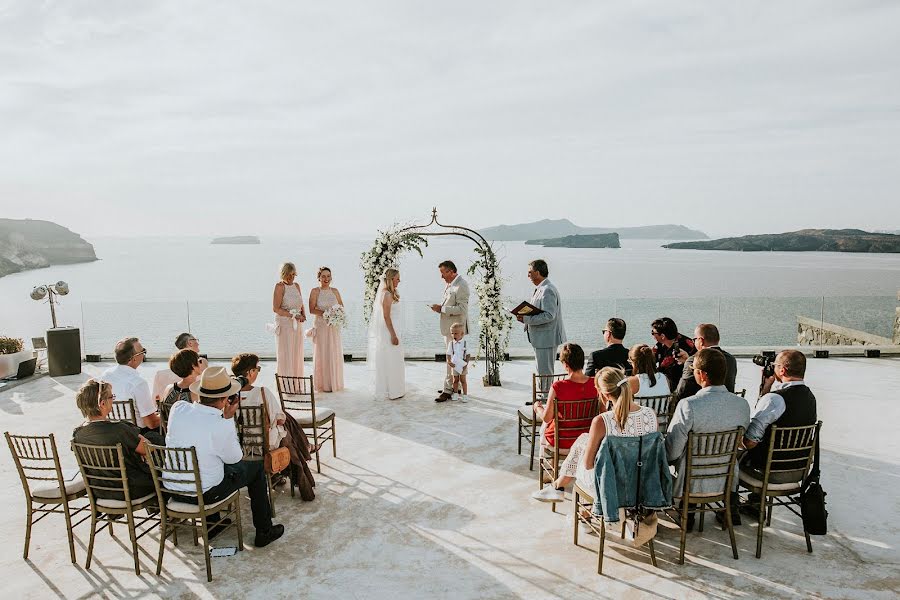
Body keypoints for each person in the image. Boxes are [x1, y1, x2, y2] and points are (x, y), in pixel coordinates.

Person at [165, 367, 285, 547]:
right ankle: (264, 530)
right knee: (256, 468)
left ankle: (214, 524)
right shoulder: (220, 425)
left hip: (173, 489)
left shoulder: (178, 408)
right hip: (203, 495)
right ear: (225, 399)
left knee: (208, 462)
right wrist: (228, 419)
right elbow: (235, 459)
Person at [532, 366, 657, 502]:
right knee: (583, 441)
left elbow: (588, 465)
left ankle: (559, 488)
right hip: (642, 480)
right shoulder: (650, 414)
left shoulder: (602, 421)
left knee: (582, 449)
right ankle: (558, 487)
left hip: (611, 485)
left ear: (605, 395)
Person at [665, 349, 750, 503]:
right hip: (726, 481)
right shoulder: (742, 405)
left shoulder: (688, 405)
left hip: (690, 482)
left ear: (702, 375)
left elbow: (672, 452)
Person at [231, 353, 316, 501]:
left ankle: (294, 463)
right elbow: (280, 420)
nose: (257, 372)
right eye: (257, 368)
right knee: (287, 427)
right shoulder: (262, 392)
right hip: (265, 445)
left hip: (240, 446)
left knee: (286, 425)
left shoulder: (229, 396)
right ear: (250, 372)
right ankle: (304, 457)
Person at [72, 379, 164, 500]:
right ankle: (164, 507)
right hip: (130, 490)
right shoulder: (119, 429)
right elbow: (148, 448)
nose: (113, 400)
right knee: (157, 444)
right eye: (111, 397)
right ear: (102, 404)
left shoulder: (77, 433)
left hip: (100, 491)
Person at [742, 350, 817, 483]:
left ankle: (735, 500)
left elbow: (750, 442)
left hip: (769, 472)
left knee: (732, 457)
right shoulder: (810, 397)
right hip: (801, 470)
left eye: (775, 365)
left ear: (782, 370)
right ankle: (755, 499)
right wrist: (767, 387)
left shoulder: (774, 399)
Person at [532, 343, 596, 453]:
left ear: (566, 365)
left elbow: (547, 418)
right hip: (587, 440)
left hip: (561, 441)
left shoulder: (558, 386)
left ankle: (553, 468)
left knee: (546, 425)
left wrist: (538, 407)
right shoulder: (595, 383)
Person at [518, 259, 567, 405]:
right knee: (541, 370)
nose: (528, 276)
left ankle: (546, 402)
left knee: (545, 372)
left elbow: (549, 315)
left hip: (547, 337)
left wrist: (527, 319)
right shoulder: (541, 288)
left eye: (530, 273)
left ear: (537, 273)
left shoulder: (548, 290)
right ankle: (541, 398)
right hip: (541, 337)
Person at [431, 260, 470, 403]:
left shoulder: (461, 285)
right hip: (450, 329)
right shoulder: (451, 284)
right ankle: (455, 386)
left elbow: (462, 309)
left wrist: (441, 309)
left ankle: (448, 390)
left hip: (455, 331)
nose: (441, 277)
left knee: (451, 360)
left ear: (451, 271)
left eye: (443, 273)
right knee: (454, 359)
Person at [101, 337, 159, 432]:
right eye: (143, 351)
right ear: (134, 358)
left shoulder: (106, 376)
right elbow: (151, 423)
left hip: (111, 430)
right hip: (137, 435)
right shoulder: (138, 383)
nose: (144, 354)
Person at [674, 323, 737, 401]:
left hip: (699, 407)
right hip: (727, 405)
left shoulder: (692, 360)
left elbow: (682, 392)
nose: (693, 342)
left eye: (694, 339)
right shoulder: (731, 359)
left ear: (701, 340)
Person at [368, 268, 405, 400]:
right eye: (397, 278)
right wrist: (393, 335)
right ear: (391, 279)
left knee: (395, 358)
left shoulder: (392, 292)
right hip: (389, 330)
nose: (399, 280)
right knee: (390, 358)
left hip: (394, 328)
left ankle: (396, 388)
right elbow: (386, 316)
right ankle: (390, 390)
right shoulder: (387, 295)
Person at [309, 266, 345, 392]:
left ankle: (334, 383)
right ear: (318, 277)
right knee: (322, 352)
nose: (326, 279)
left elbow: (341, 306)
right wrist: (327, 313)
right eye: (323, 276)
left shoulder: (335, 291)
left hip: (333, 327)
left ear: (331, 277)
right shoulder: (315, 291)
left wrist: (337, 314)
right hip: (321, 326)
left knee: (333, 352)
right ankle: (322, 384)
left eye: (328, 276)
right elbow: (312, 309)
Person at [152, 333, 208, 403]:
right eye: (196, 340)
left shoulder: (161, 376)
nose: (198, 343)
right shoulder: (200, 375)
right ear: (190, 343)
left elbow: (155, 401)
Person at [273, 262, 307, 377]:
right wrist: (293, 315)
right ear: (283, 274)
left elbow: (301, 303)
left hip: (297, 325)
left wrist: (303, 315)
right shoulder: (280, 286)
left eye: (293, 274)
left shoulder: (297, 286)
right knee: (286, 354)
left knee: (296, 354)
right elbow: (276, 309)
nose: (291, 277)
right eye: (288, 274)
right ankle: (285, 385)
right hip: (285, 325)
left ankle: (296, 384)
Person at [160, 348, 202, 429]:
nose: (201, 364)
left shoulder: (169, 389)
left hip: (171, 435)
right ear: (193, 366)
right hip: (192, 437)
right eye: (199, 361)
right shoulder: (196, 392)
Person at [651, 317, 696, 391]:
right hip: (664, 385)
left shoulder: (687, 345)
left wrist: (687, 360)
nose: (652, 335)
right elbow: (652, 361)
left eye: (653, 333)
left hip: (684, 387)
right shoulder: (659, 346)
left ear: (662, 336)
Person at [445, 322, 470, 403]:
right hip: (455, 365)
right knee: (455, 380)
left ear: (462, 334)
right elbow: (448, 353)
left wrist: (466, 364)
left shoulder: (465, 343)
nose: (454, 335)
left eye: (456, 333)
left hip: (463, 365)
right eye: (452, 333)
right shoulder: (451, 343)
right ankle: (455, 393)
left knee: (463, 380)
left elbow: (468, 355)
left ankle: (465, 395)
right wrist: (449, 361)